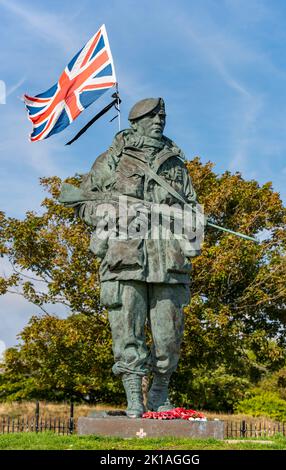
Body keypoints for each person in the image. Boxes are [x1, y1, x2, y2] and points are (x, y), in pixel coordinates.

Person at [61, 98, 201, 417]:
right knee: (127, 334)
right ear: (135, 120)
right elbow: (83, 204)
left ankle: (159, 392)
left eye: (162, 116)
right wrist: (117, 212)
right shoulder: (113, 158)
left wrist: (186, 229)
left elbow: (193, 209)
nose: (159, 121)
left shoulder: (176, 164)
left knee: (169, 338)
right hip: (125, 258)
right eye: (152, 116)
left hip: (169, 261)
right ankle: (134, 398)